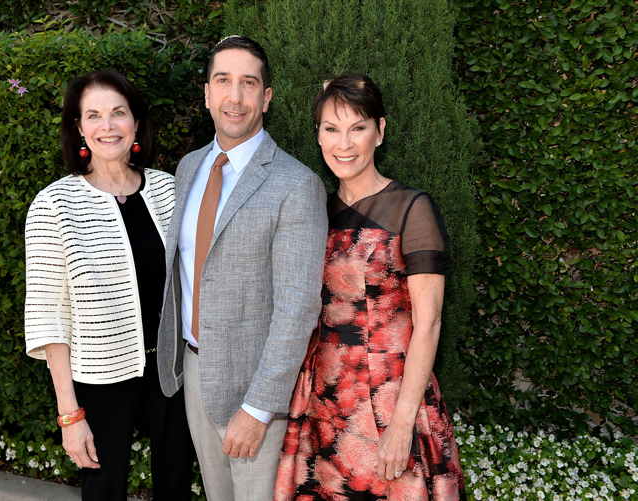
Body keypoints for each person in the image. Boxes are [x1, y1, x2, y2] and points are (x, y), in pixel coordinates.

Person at [274, 74, 466, 500]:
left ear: (380, 130)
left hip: (392, 399)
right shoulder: (314, 212)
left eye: (357, 128)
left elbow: (430, 322)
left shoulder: (412, 209)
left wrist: (401, 423)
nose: (343, 144)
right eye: (331, 128)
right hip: (322, 402)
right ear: (318, 135)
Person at [155, 36, 328, 501]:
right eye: (223, 81)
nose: (235, 96)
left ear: (266, 98)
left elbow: (297, 307)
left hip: (256, 388)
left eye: (248, 83)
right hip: (195, 372)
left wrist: (258, 408)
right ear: (207, 93)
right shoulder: (189, 168)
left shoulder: (296, 185)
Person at [24, 70, 194, 501]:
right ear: (79, 128)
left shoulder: (170, 190)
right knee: (103, 489)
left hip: (171, 373)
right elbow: (49, 315)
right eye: (94, 115)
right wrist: (70, 414)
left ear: (135, 122)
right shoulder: (54, 204)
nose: (108, 126)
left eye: (118, 113)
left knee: (176, 486)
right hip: (100, 378)